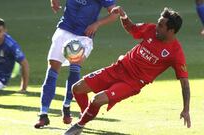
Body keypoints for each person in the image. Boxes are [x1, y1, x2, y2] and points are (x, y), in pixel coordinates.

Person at [64, 6, 191, 135]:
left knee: (97, 100)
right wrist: (123, 15)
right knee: (77, 88)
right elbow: (133, 29)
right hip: (117, 68)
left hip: (131, 83)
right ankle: (87, 114)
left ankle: (79, 126)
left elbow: (185, 83)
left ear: (171, 31)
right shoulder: (151, 29)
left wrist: (186, 109)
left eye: (161, 25)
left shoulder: (176, 53)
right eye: (158, 23)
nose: (156, 27)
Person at [34, 0, 118, 128]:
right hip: (64, 29)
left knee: (74, 68)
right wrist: (54, 2)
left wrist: (97, 24)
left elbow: (114, 13)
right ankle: (43, 115)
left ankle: (66, 106)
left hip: (83, 36)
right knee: (52, 70)